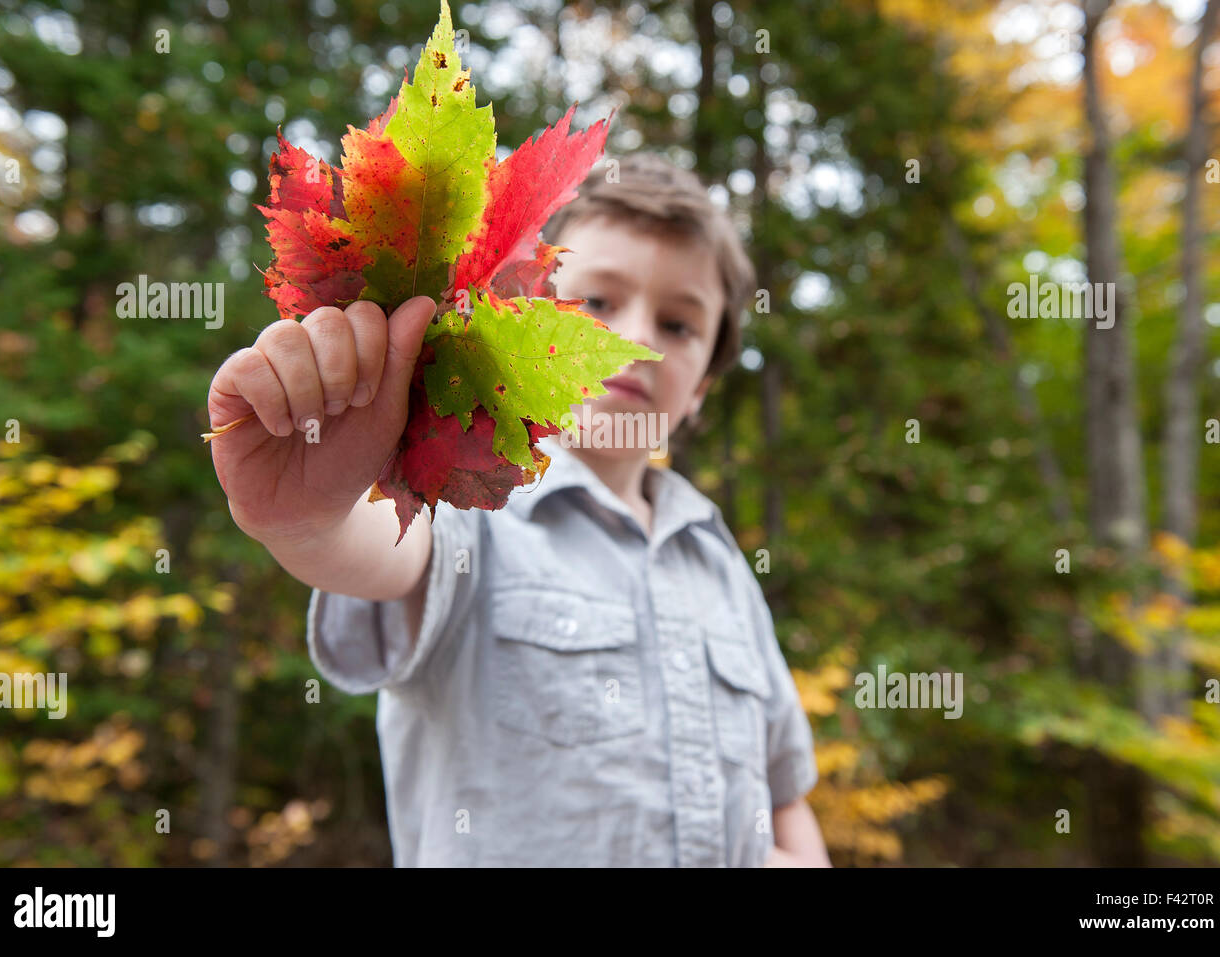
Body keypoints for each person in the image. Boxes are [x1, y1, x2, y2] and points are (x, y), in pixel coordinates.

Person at [206, 152, 829, 867]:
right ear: (522, 315)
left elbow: (785, 793)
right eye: (597, 301)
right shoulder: (469, 504)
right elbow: (378, 546)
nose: (636, 340)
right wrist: (307, 517)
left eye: (680, 324)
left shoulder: (721, 566)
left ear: (700, 392)